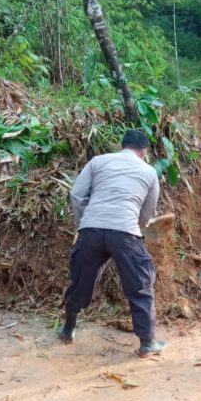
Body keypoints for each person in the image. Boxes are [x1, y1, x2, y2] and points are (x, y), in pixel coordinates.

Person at [61, 129, 166, 357]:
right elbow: (148, 212)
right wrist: (134, 227)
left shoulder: (98, 161)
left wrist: (84, 224)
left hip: (91, 229)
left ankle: (68, 329)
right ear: (144, 152)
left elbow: (77, 195)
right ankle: (147, 343)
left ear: (122, 145)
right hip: (126, 233)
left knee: (80, 280)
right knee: (140, 284)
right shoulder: (148, 172)